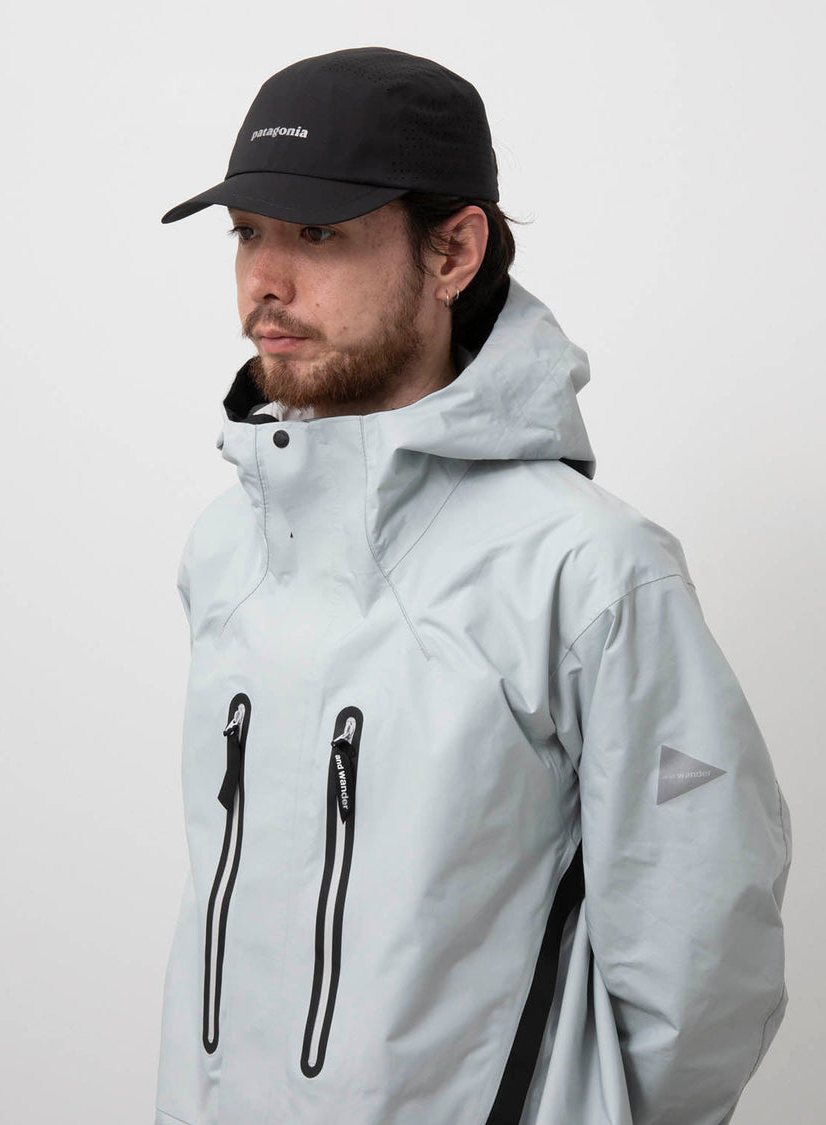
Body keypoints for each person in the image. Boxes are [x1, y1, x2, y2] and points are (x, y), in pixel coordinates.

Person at [155, 46, 791, 1125]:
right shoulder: (228, 547)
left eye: (317, 233)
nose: (266, 281)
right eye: (249, 233)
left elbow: (703, 955)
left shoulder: (589, 569)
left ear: (452, 251)